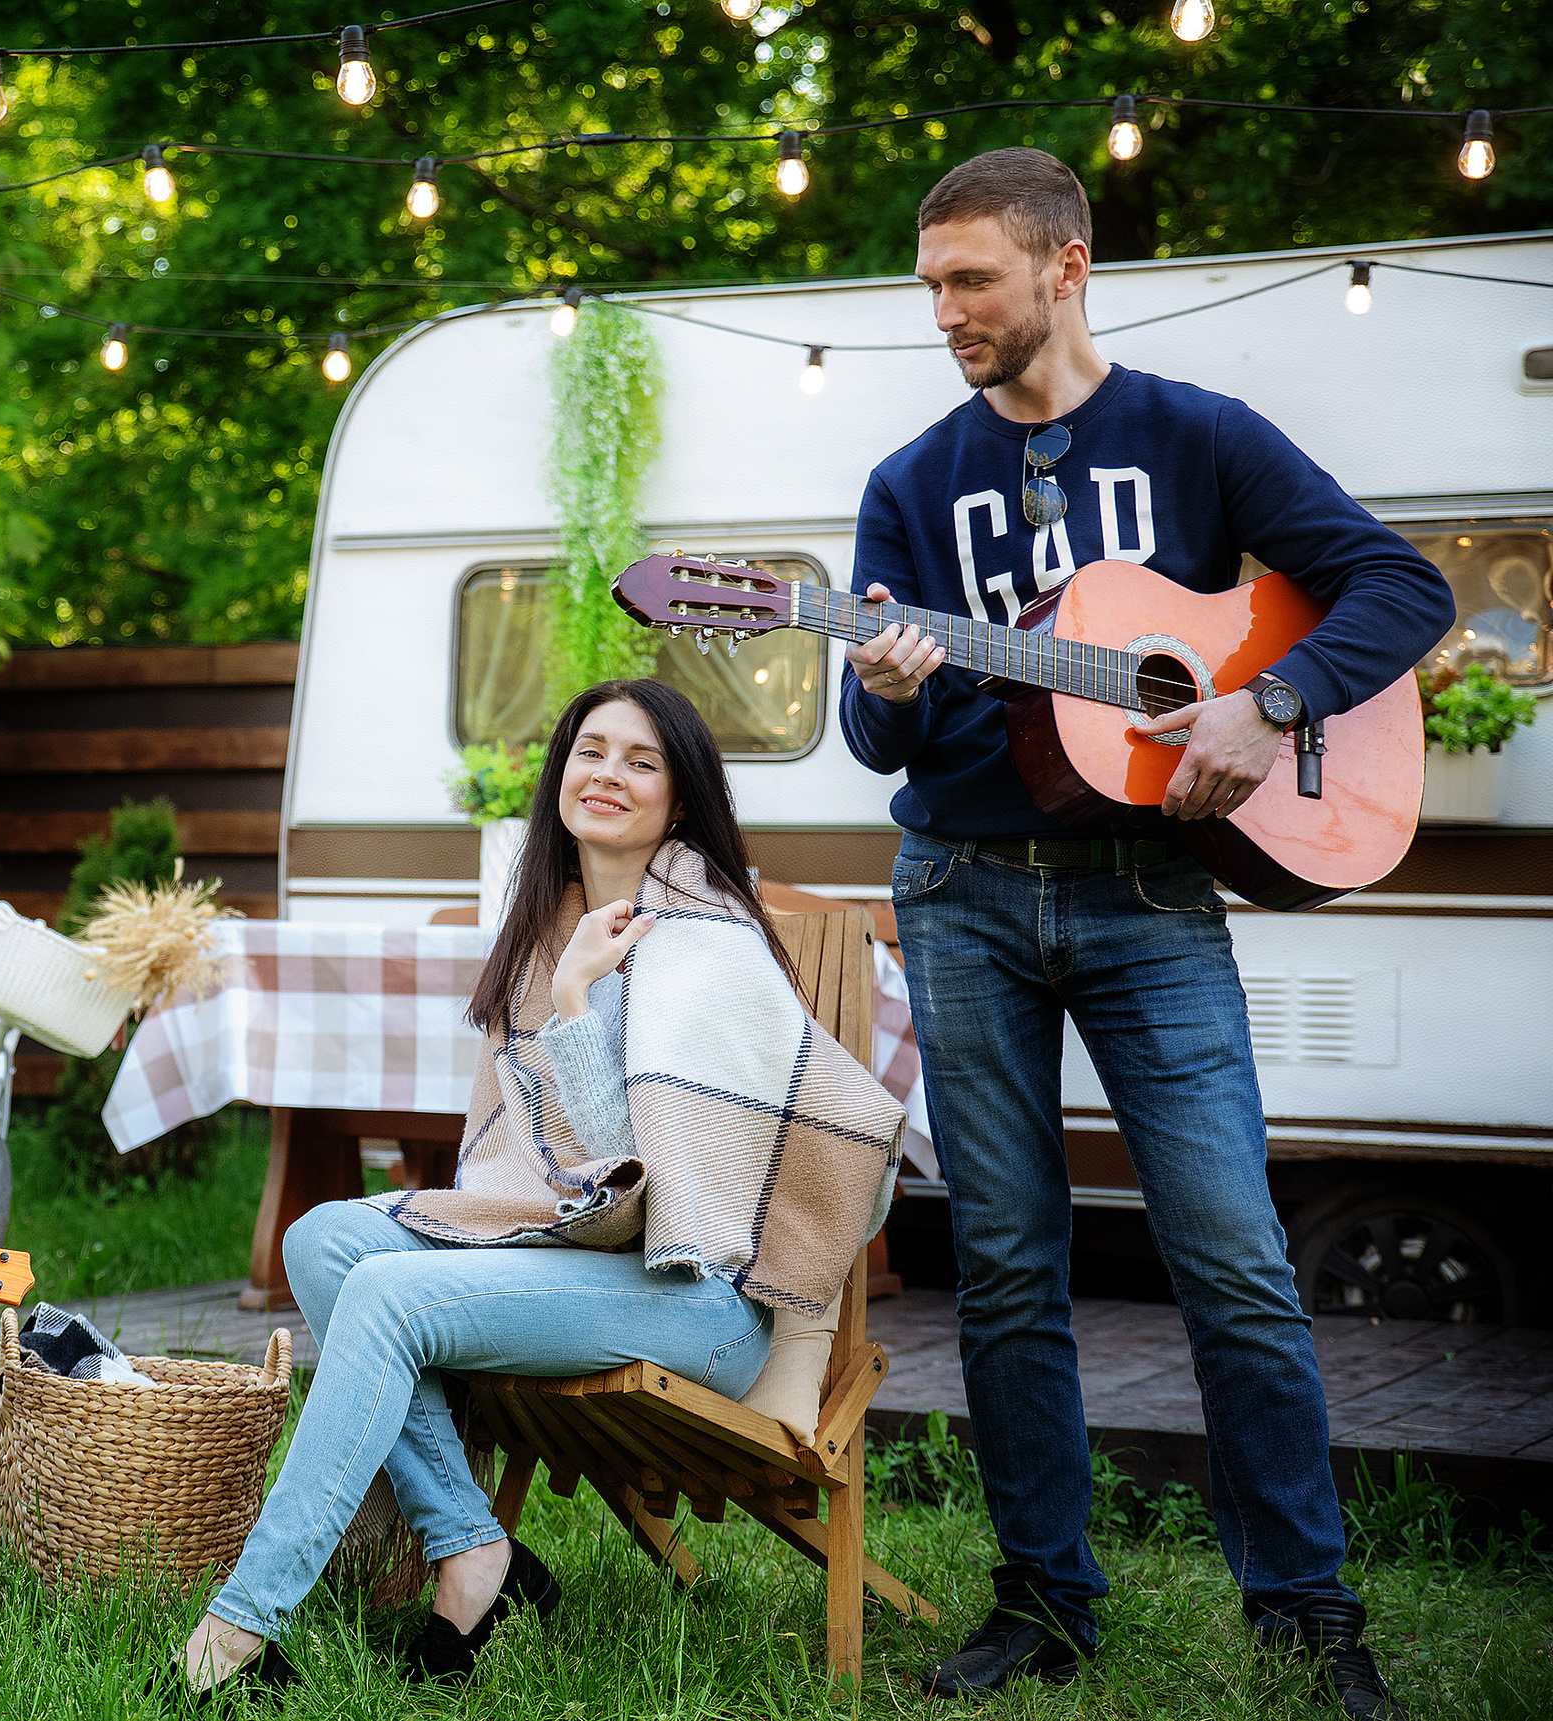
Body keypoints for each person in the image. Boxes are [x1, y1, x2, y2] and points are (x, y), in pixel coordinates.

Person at [840, 148, 1452, 1721]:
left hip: (1151, 898)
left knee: (1234, 1254)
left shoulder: (1197, 438)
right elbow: (880, 750)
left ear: (1068, 266)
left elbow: (1400, 585)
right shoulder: (912, 483)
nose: (948, 313)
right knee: (1003, 1264)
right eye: (932, 285)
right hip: (962, 894)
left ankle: (1308, 1615)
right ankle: (1045, 1599)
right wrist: (885, 683)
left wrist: (1269, 701)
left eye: (972, 280)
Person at [172, 678, 903, 1699]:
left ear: (680, 797)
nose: (606, 772)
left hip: (699, 1301)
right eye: (589, 749)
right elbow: (543, 1171)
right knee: (323, 1239)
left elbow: (637, 1196)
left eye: (640, 760)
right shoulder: (550, 921)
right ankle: (476, 1549)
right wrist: (563, 982)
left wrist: (575, 1003)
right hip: (583, 1256)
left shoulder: (703, 945)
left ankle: (235, 1630)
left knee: (386, 1296)